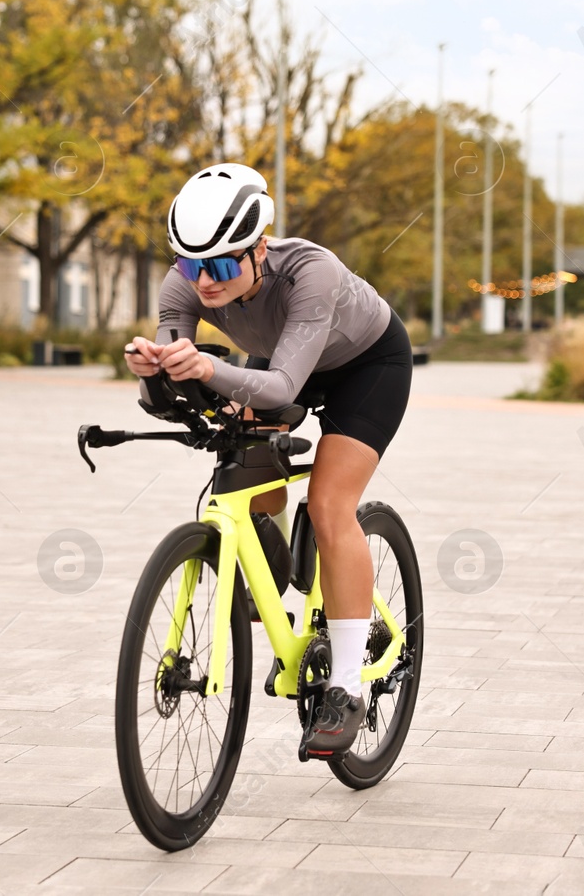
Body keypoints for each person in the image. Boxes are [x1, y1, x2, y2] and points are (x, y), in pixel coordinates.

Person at [124, 163, 412, 759]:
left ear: (259, 249)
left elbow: (281, 388)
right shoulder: (183, 285)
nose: (204, 281)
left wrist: (207, 368)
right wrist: (153, 374)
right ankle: (274, 570)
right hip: (281, 361)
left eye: (223, 265)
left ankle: (347, 687)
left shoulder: (312, 272)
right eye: (190, 263)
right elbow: (175, 400)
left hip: (367, 367)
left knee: (331, 506)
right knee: (244, 470)